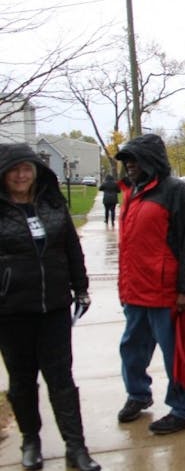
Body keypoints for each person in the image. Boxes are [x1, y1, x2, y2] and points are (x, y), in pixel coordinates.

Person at [0, 143, 101, 471]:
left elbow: (71, 248)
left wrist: (81, 288)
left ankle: (76, 446)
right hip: (12, 312)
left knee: (61, 379)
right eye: (14, 170)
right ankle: (31, 440)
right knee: (22, 380)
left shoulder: (52, 204)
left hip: (54, 308)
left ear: (36, 172)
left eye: (26, 169)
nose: (21, 175)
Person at [113, 134, 185, 435]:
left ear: (151, 161)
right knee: (131, 350)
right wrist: (124, 287)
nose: (129, 165)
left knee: (176, 356)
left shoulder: (176, 192)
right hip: (135, 292)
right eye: (126, 160)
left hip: (166, 294)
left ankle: (184, 410)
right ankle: (138, 394)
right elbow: (129, 246)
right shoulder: (131, 192)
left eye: (134, 159)